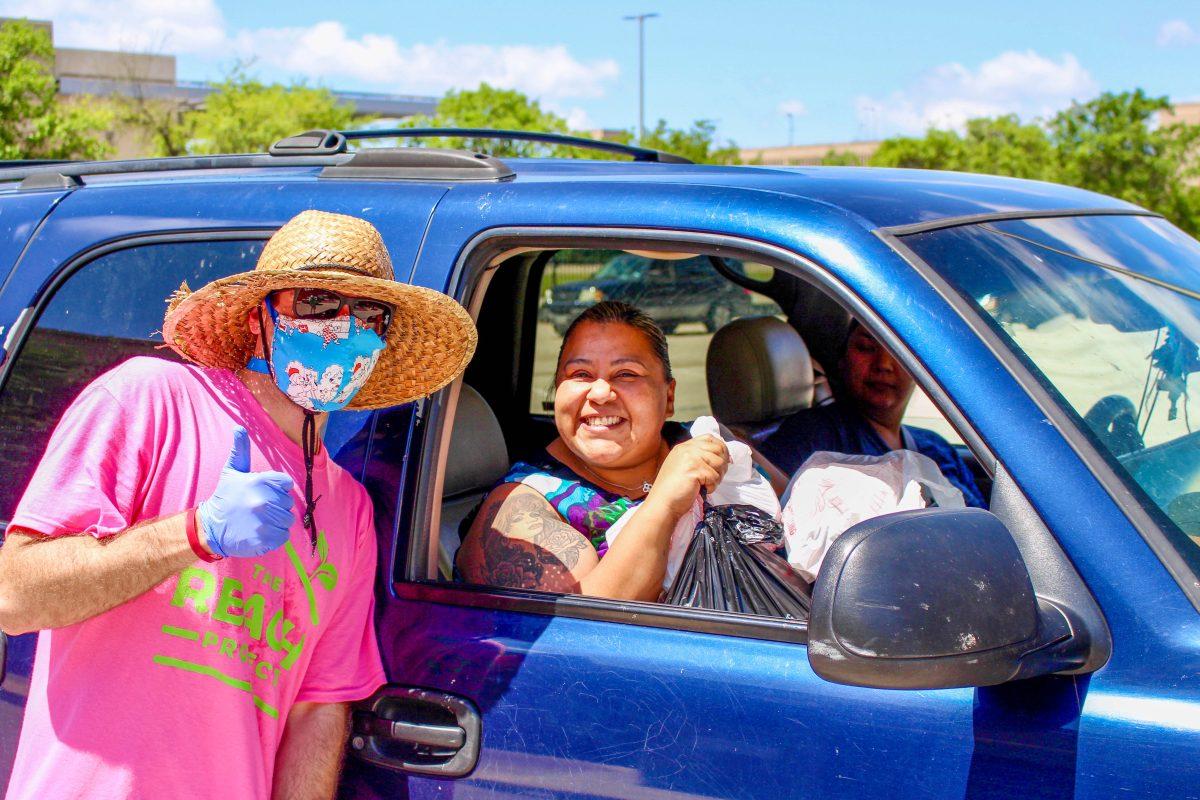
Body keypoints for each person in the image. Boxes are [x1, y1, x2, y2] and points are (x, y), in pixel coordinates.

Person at [0, 210, 476, 800]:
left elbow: (316, 709)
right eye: (318, 304)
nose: (342, 328)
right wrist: (194, 533)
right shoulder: (149, 398)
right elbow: (14, 597)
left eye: (369, 315)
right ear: (260, 321)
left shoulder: (349, 510)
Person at [456, 300, 730, 601]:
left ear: (669, 396)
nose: (600, 393)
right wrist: (664, 502)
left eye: (626, 374)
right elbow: (583, 631)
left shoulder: (700, 442)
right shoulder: (521, 509)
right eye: (580, 375)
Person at [759, 320, 986, 508]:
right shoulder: (812, 437)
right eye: (867, 348)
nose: (884, 364)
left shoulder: (937, 447)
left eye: (899, 352)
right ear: (842, 360)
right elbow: (771, 501)